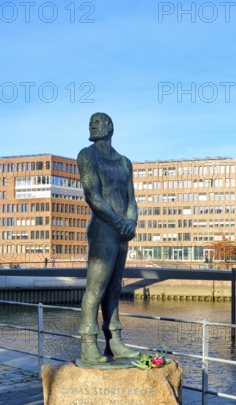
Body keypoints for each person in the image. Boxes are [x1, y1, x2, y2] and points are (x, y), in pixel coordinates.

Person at [77, 113, 140, 364]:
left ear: (110, 127)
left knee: (114, 288)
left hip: (122, 232)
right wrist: (119, 223)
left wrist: (131, 223)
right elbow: (92, 195)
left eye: (97, 121)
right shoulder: (87, 155)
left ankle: (114, 341)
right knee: (96, 287)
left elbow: (131, 199)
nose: (92, 124)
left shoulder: (125, 162)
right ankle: (87, 343)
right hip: (104, 231)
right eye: (90, 121)